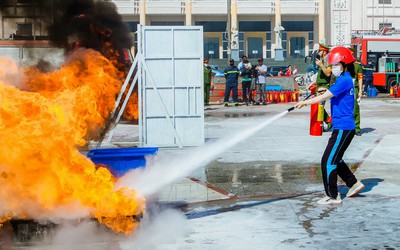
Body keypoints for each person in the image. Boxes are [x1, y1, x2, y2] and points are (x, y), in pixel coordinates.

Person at [295, 46, 365, 205]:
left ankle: (333, 196)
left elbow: (325, 96)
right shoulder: (343, 79)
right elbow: (331, 92)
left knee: (328, 161)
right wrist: (322, 89)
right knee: (336, 159)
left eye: (335, 65)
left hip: (343, 128)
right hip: (343, 127)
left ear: (344, 65)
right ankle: (353, 184)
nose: (333, 68)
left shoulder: (345, 80)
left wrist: (305, 102)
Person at [309, 43, 333, 131]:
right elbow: (321, 75)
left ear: (324, 51)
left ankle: (328, 121)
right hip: (319, 86)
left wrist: (321, 65)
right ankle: (323, 123)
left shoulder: (328, 61)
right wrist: (313, 82)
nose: (318, 52)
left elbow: (328, 73)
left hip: (324, 87)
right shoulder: (322, 61)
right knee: (318, 105)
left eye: (320, 50)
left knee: (319, 105)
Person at [349, 47, 363, 136]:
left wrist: (360, 91)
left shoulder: (357, 66)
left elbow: (360, 79)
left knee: (356, 109)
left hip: (355, 88)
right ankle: (349, 128)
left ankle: (357, 128)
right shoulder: (343, 66)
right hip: (346, 89)